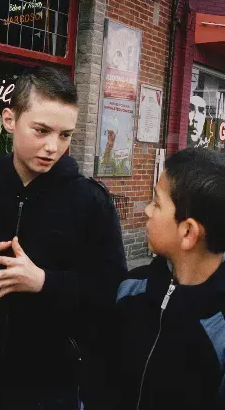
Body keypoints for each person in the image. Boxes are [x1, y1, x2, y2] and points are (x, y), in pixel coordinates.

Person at [0, 66, 126, 409]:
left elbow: (111, 290)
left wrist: (44, 282)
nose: (52, 147)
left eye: (64, 135)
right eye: (41, 130)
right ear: (9, 119)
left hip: (53, 382)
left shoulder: (90, 201)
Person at [113, 148, 225, 409]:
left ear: (187, 232)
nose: (147, 211)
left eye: (157, 203)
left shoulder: (218, 330)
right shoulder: (131, 288)